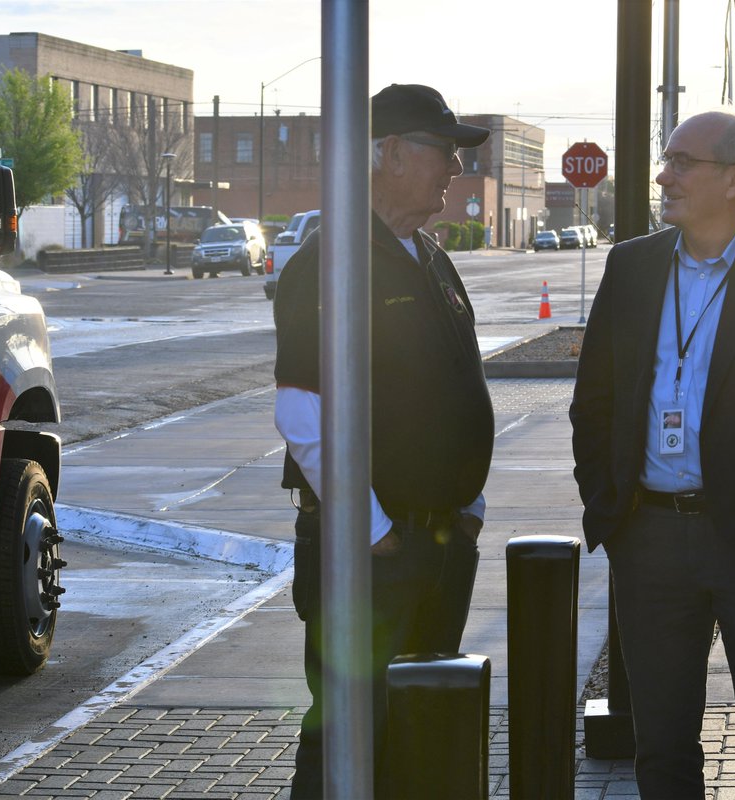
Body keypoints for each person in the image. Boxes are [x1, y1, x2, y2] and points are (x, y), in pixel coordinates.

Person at [570, 106, 735, 799]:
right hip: (648, 539)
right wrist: (611, 511)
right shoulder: (631, 267)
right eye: (668, 160)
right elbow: (592, 401)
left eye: (683, 162)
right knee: (661, 748)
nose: (664, 175)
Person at [273, 83, 494, 799]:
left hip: (436, 543)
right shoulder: (332, 259)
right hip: (375, 554)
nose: (455, 169)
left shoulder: (426, 255)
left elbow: (455, 386)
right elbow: (303, 413)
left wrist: (469, 503)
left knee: (419, 733)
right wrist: (370, 531)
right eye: (444, 151)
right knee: (348, 737)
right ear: (390, 153)